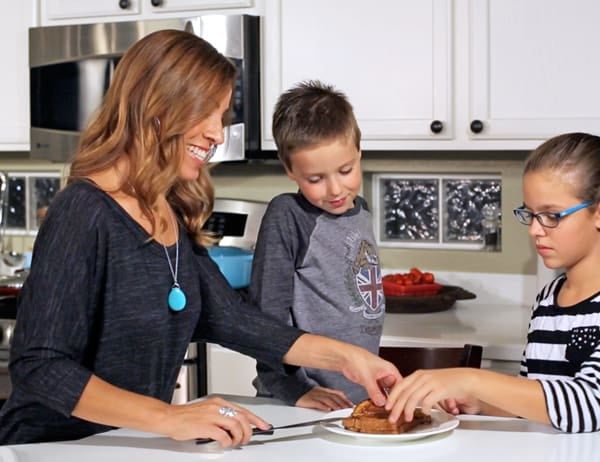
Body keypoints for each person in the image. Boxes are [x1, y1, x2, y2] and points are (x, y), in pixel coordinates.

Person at [0, 30, 401, 446]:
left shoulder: (166, 211)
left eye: (222, 117)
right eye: (207, 113)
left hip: (129, 445)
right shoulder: (83, 211)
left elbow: (234, 320)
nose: (216, 134)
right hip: (49, 449)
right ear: (157, 106)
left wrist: (349, 359)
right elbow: (40, 366)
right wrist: (169, 417)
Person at [385, 132, 600, 433]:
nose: (535, 230)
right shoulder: (549, 298)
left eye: (551, 215)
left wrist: (471, 379)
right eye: (531, 214)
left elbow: (589, 405)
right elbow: (536, 397)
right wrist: (481, 402)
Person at [249, 81, 385, 411]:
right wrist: (292, 389)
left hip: (353, 401)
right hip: (299, 401)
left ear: (358, 151)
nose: (336, 189)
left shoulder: (361, 210)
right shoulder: (288, 216)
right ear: (290, 170)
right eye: (315, 179)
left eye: (346, 170)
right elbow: (266, 319)